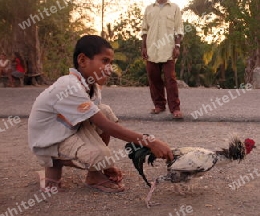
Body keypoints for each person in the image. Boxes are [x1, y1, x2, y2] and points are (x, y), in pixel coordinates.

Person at [28, 35, 174, 193]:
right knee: (100, 156)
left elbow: (100, 120)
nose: (109, 68)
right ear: (82, 60)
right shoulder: (69, 86)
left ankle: (93, 175)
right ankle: (52, 171)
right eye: (104, 61)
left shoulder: (92, 87)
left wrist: (107, 165)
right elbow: (104, 125)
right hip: (47, 142)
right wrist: (149, 142)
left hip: (65, 131)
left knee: (105, 111)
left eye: (111, 63)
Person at [141, 0, 184, 119]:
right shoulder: (149, 9)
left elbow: (179, 29)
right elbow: (144, 30)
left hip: (168, 49)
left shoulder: (174, 8)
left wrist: (177, 46)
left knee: (170, 79)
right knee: (153, 78)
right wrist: (144, 47)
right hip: (152, 49)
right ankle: (159, 105)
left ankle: (175, 108)